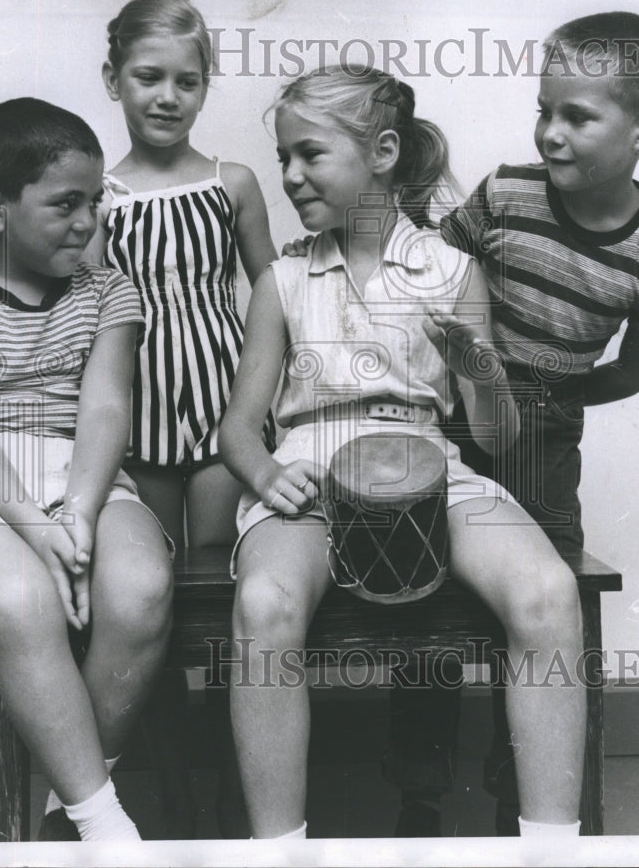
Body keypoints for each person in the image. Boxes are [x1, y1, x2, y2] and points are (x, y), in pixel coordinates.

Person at [219, 65, 587, 843]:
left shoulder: (453, 272)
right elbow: (237, 429)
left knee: (550, 592)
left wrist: (481, 369)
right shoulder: (281, 280)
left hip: (427, 465)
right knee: (263, 606)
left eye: (310, 154)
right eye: (282, 157)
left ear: (382, 152)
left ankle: (553, 849)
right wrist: (267, 475)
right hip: (313, 472)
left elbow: (496, 442)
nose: (289, 175)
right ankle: (276, 851)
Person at [386, 10, 639, 836]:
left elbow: (633, 371)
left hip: (545, 447)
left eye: (578, 116)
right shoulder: (505, 192)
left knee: (540, 607)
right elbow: (434, 270)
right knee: (422, 601)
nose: (551, 133)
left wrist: (551, 400)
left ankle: (522, 800)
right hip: (450, 420)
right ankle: (419, 790)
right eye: (543, 110)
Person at [0, 98, 175, 842]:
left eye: (96, 201)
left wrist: (74, 513)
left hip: (86, 474)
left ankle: (66, 805)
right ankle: (108, 828)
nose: (87, 222)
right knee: (21, 598)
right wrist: (38, 532)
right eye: (64, 204)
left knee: (140, 588)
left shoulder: (108, 291)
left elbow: (106, 411)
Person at [91, 0, 277, 837]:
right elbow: (90, 315)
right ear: (113, 80)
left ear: (207, 89)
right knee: (152, 609)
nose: (168, 96)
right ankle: (167, 788)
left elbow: (276, 295)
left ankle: (238, 786)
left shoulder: (230, 183)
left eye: (187, 81)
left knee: (224, 606)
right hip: (138, 433)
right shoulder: (99, 197)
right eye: (148, 78)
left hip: (218, 426)